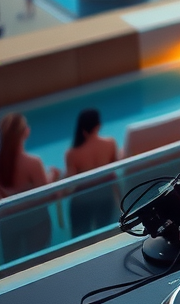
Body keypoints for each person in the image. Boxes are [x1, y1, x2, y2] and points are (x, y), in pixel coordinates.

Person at [0, 113, 59, 260]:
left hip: (8, 224)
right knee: (37, 262)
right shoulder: (32, 163)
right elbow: (45, 195)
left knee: (12, 264)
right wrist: (53, 177)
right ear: (25, 132)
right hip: (36, 221)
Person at [65, 109, 119, 237]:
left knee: (81, 239)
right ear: (98, 125)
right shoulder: (110, 144)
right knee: (106, 235)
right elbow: (115, 167)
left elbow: (70, 185)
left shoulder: (72, 153)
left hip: (82, 200)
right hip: (105, 195)